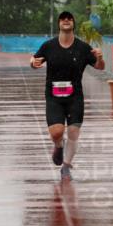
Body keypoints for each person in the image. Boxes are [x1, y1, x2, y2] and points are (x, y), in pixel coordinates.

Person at [30, 11, 105, 181]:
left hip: (75, 97)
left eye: (69, 18)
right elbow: (34, 61)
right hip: (53, 96)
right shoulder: (48, 46)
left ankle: (66, 167)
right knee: (57, 132)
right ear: (58, 24)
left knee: (73, 132)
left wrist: (100, 58)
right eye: (63, 18)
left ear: (73, 24)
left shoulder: (83, 48)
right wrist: (33, 63)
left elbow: (100, 67)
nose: (66, 20)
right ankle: (58, 145)